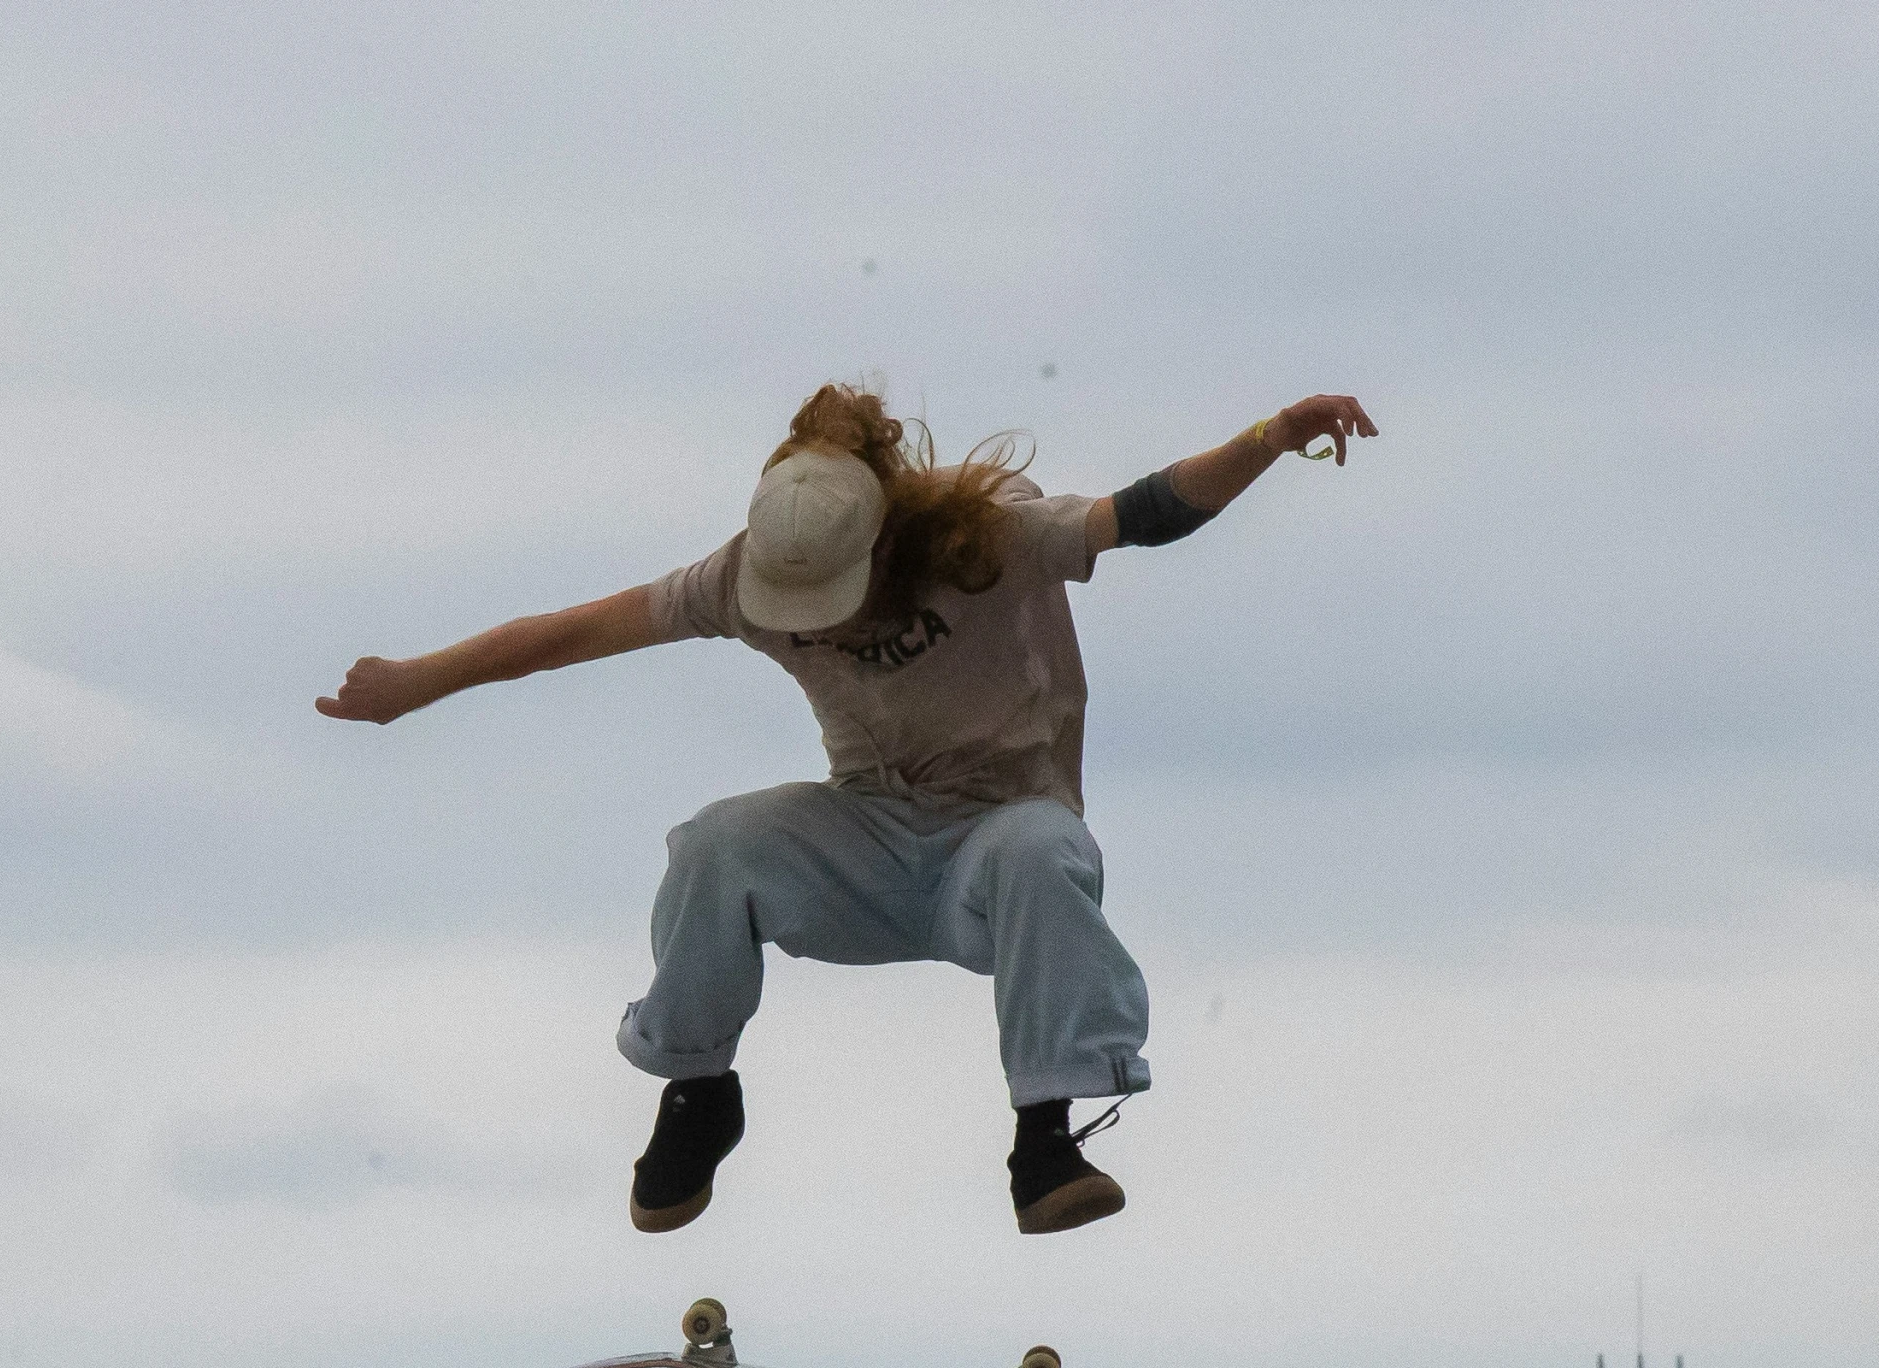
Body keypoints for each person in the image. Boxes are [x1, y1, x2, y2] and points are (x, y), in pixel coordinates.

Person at [318, 384, 1375, 1236]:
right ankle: (696, 1092)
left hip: (991, 849)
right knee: (714, 844)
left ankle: (1044, 1138)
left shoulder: (990, 540)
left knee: (1040, 852)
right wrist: (415, 684)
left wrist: (1268, 437)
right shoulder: (739, 580)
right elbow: (567, 633)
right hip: (863, 841)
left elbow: (1145, 512)